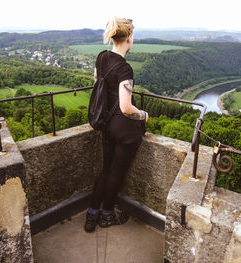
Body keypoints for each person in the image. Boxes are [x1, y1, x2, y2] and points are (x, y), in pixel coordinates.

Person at [85, 17, 149, 233]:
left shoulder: (102, 58)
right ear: (129, 38)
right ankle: (106, 215)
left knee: (105, 170)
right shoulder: (125, 69)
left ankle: (91, 215)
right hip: (124, 130)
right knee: (116, 173)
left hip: (106, 124)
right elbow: (126, 107)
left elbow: (98, 83)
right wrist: (144, 115)